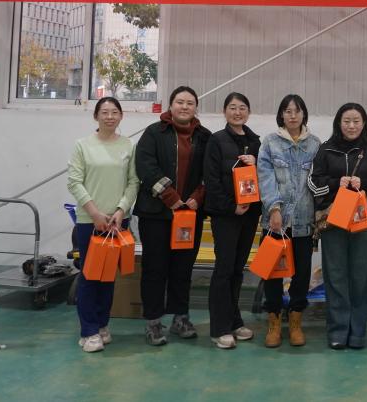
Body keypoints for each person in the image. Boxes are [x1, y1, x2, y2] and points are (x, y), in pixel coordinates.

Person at [134, 86, 212, 346]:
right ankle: (153, 322)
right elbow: (145, 166)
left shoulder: (205, 136)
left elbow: (210, 172)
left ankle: (181, 317)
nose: (185, 106)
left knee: (183, 268)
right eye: (180, 102)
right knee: (155, 268)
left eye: (190, 103)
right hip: (156, 214)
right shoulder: (154, 133)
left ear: (196, 107)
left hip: (189, 216)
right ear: (171, 105)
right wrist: (170, 197)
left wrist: (197, 198)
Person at [307, 102, 367, 350]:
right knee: (335, 275)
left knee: (361, 276)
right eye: (346, 121)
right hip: (334, 222)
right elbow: (313, 183)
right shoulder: (326, 149)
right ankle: (338, 330)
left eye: (356, 121)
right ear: (338, 123)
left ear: (364, 123)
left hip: (363, 223)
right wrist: (335, 183)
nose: (351, 126)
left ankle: (358, 332)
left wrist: (364, 183)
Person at [66, 96, 139, 353]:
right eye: (104, 112)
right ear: (95, 116)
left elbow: (134, 182)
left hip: (118, 221)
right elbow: (74, 182)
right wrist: (95, 213)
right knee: (89, 275)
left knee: (108, 277)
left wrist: (121, 210)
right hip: (90, 221)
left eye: (114, 112)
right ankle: (88, 331)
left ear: (121, 116)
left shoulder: (128, 145)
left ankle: (102, 324)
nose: (110, 116)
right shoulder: (82, 145)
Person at [256, 94, 321, 348]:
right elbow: (265, 177)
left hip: (304, 222)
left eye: (297, 111)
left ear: (304, 114)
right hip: (275, 221)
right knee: (272, 273)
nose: (292, 115)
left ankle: (295, 322)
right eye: (287, 111)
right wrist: (274, 209)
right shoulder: (270, 143)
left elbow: (318, 182)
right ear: (281, 115)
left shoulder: (315, 145)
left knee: (301, 274)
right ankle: (274, 323)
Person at [204, 92, 262, 349]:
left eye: (242, 108)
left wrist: (256, 163)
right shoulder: (216, 141)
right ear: (224, 112)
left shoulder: (255, 142)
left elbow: (265, 176)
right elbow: (211, 181)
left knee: (238, 269)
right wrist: (231, 207)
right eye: (232, 108)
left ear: (248, 112)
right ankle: (219, 328)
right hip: (226, 215)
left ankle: (234, 320)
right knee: (224, 269)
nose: (237, 112)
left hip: (249, 215)